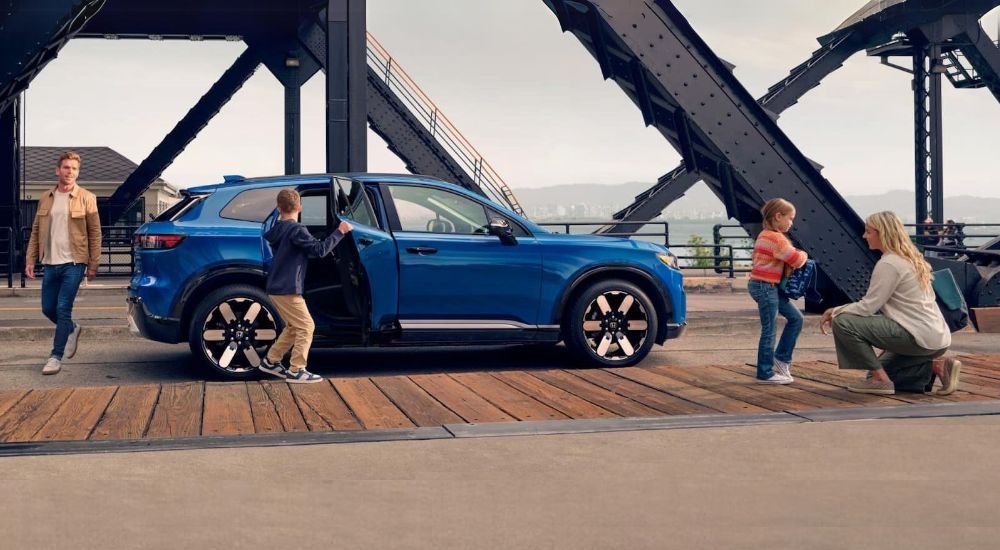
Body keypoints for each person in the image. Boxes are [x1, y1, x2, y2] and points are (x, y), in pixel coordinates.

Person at [820, 211, 961, 395]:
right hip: (936, 337)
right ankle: (938, 368)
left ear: (882, 233)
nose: (864, 236)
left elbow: (868, 307)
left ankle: (881, 380)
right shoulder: (912, 258)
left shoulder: (889, 263)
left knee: (843, 321)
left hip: (918, 336)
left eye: (869, 232)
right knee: (878, 374)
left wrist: (835, 311)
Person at [259, 188, 353, 383]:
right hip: (288, 287)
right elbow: (320, 250)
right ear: (300, 207)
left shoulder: (277, 230)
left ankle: (271, 361)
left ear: (279, 208)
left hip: (276, 286)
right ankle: (297, 369)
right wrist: (340, 232)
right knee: (307, 326)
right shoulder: (297, 230)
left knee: (294, 326)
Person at [24, 151, 102, 375]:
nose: (70, 172)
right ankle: (72, 329)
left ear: (78, 172)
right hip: (50, 262)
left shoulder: (87, 197)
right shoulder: (46, 197)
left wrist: (93, 263)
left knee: (62, 308)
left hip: (74, 262)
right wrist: (31, 258)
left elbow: (95, 233)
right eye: (66, 168)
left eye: (74, 169)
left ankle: (55, 357)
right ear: (58, 170)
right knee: (47, 308)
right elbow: (36, 230)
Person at [747, 198, 808, 384]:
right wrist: (804, 254)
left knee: (796, 318)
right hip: (765, 287)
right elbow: (797, 260)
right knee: (769, 330)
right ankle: (765, 373)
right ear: (778, 216)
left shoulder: (764, 234)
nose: (791, 223)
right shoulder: (776, 238)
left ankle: (781, 359)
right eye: (790, 218)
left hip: (764, 285)